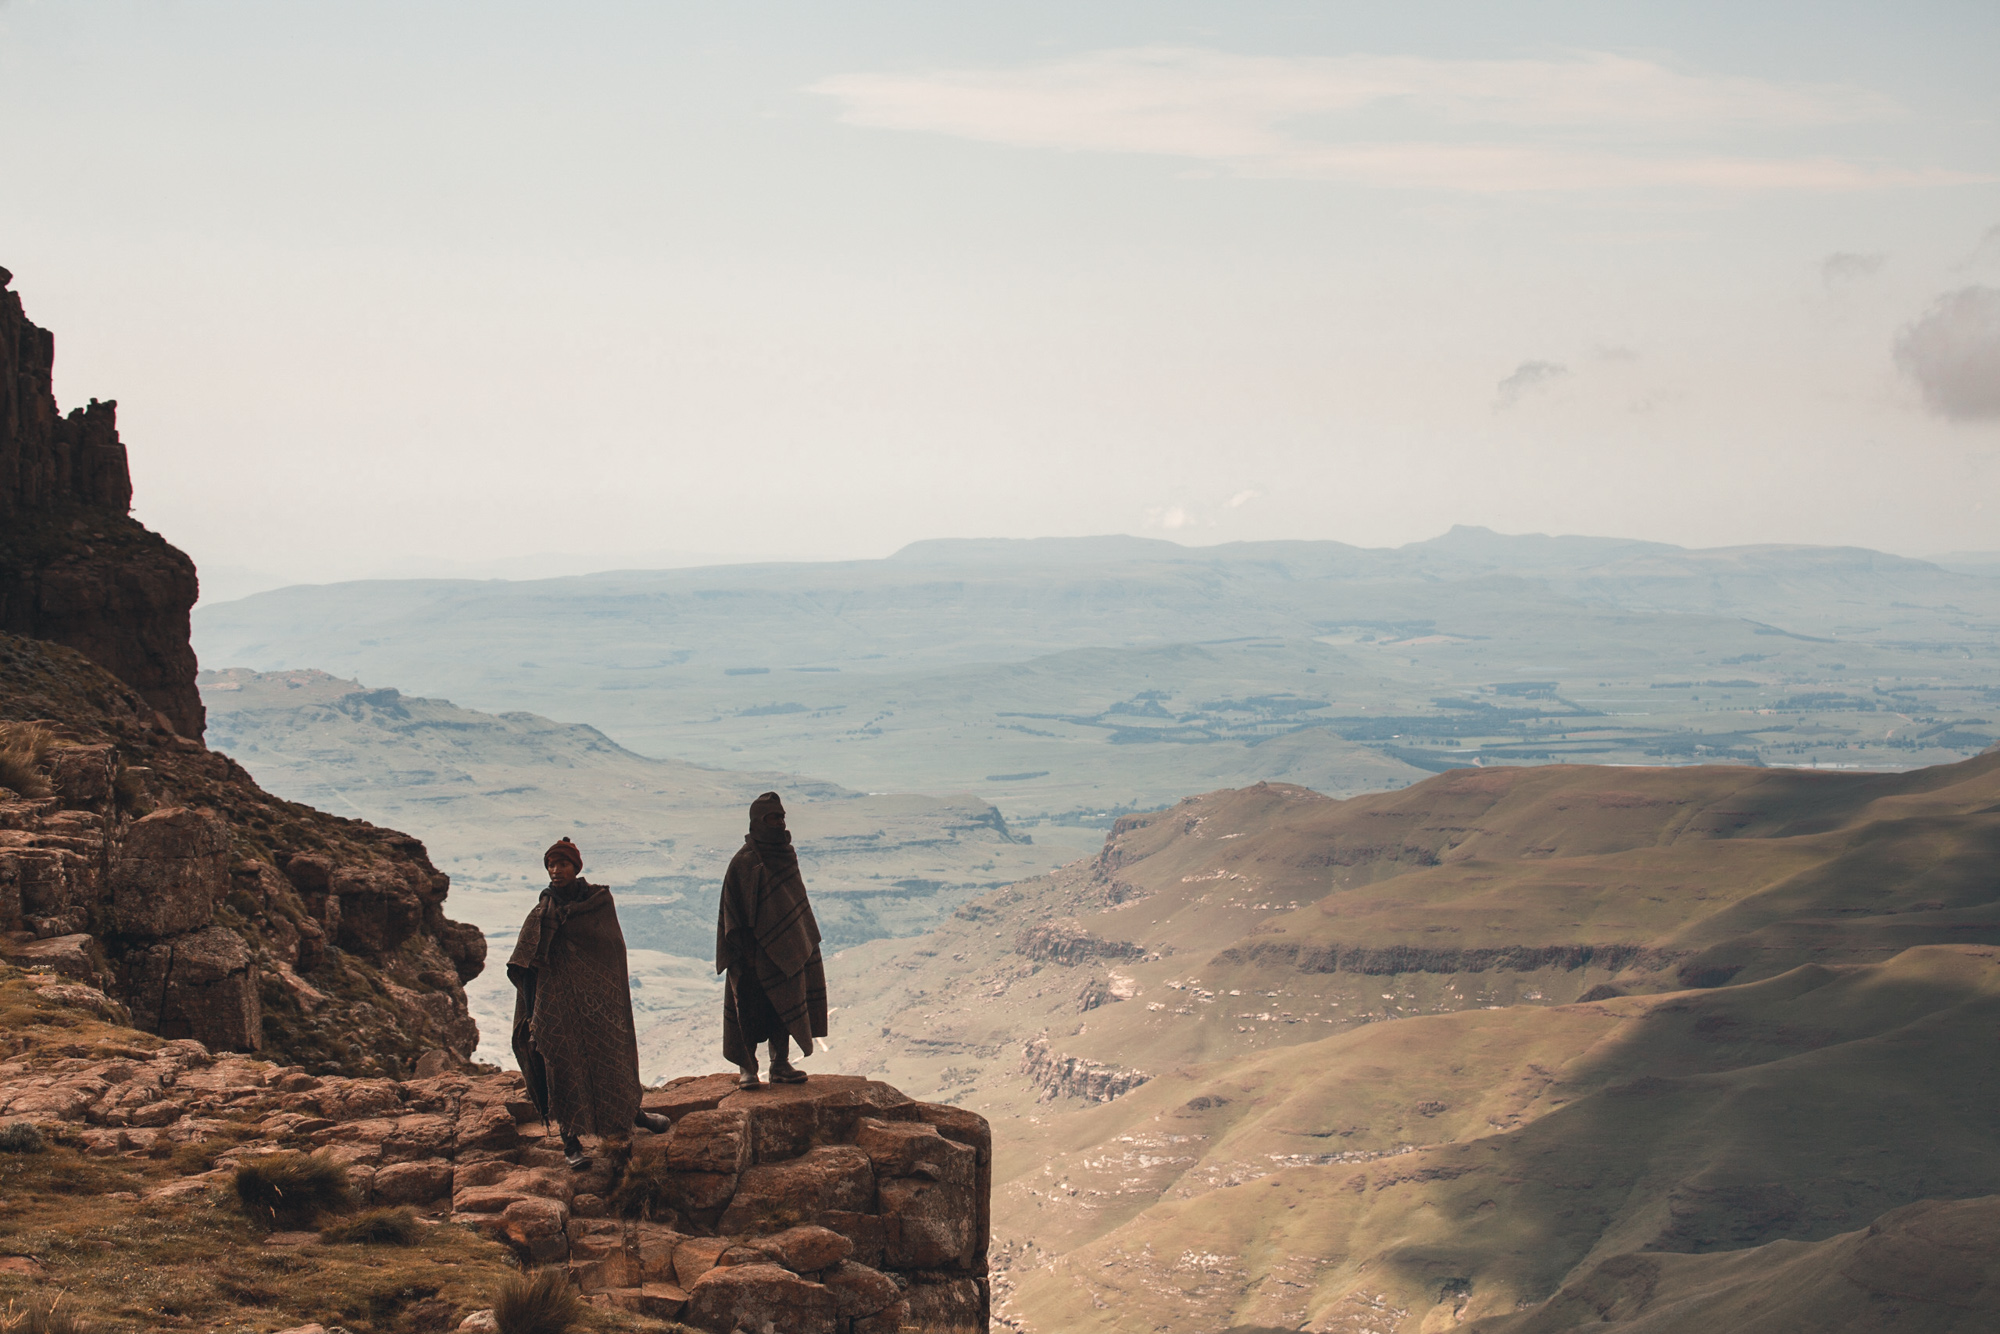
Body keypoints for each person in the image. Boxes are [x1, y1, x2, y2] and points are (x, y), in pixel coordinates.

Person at [508, 837, 671, 1169]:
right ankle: (571, 1141)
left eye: (562, 864)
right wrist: (534, 1007)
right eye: (551, 865)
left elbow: (612, 950)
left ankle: (633, 1115)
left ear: (576, 867)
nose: (556, 871)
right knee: (562, 1065)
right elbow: (522, 964)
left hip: (601, 1001)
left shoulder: (598, 904)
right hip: (558, 1006)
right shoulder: (543, 912)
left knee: (614, 1054)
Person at [717, 792, 829, 1088]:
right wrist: (744, 951)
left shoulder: (786, 856)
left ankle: (780, 1064)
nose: (778, 823)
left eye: (781, 817)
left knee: (784, 1004)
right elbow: (732, 910)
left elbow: (794, 903)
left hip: (786, 952)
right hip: (751, 953)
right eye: (772, 818)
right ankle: (748, 1067)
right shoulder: (743, 862)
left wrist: (798, 942)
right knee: (749, 1010)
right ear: (757, 822)